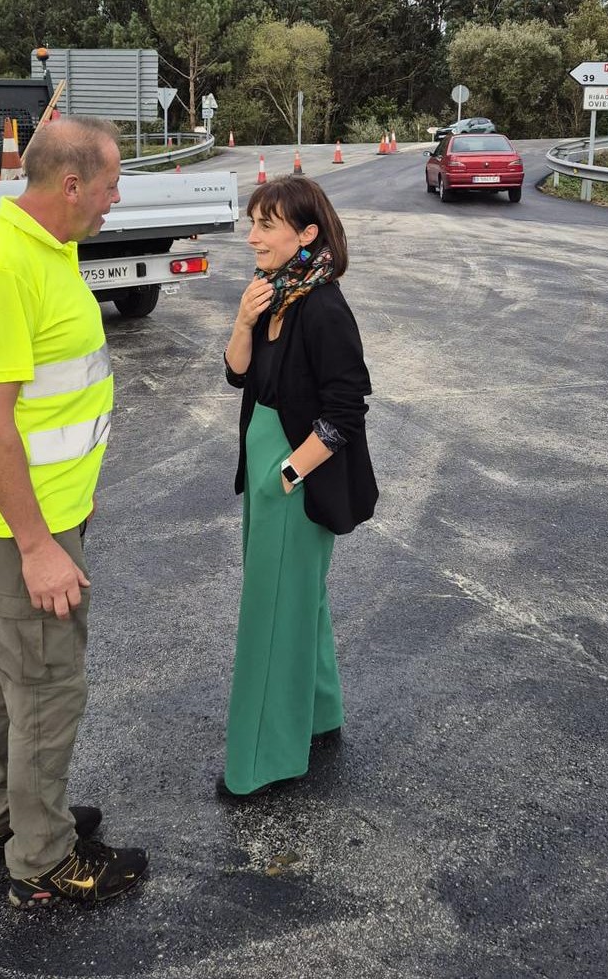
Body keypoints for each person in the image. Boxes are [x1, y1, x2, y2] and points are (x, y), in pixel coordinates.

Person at [0, 116, 147, 908]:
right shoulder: (2, 265)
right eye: (109, 185)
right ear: (70, 184)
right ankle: (44, 858)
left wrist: (72, 498)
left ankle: (3, 820)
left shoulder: (47, 248)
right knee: (45, 681)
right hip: (21, 525)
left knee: (7, 670)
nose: (114, 198)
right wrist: (36, 543)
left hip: (47, 509)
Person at [220, 175, 378, 798]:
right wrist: (242, 319)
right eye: (252, 223)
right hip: (264, 459)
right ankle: (319, 713)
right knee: (297, 600)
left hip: (292, 474)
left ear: (307, 234)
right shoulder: (274, 292)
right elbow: (238, 375)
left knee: (271, 616)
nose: (252, 237)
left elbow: (347, 409)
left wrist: (287, 474)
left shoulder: (323, 307)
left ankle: (263, 761)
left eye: (267, 225)